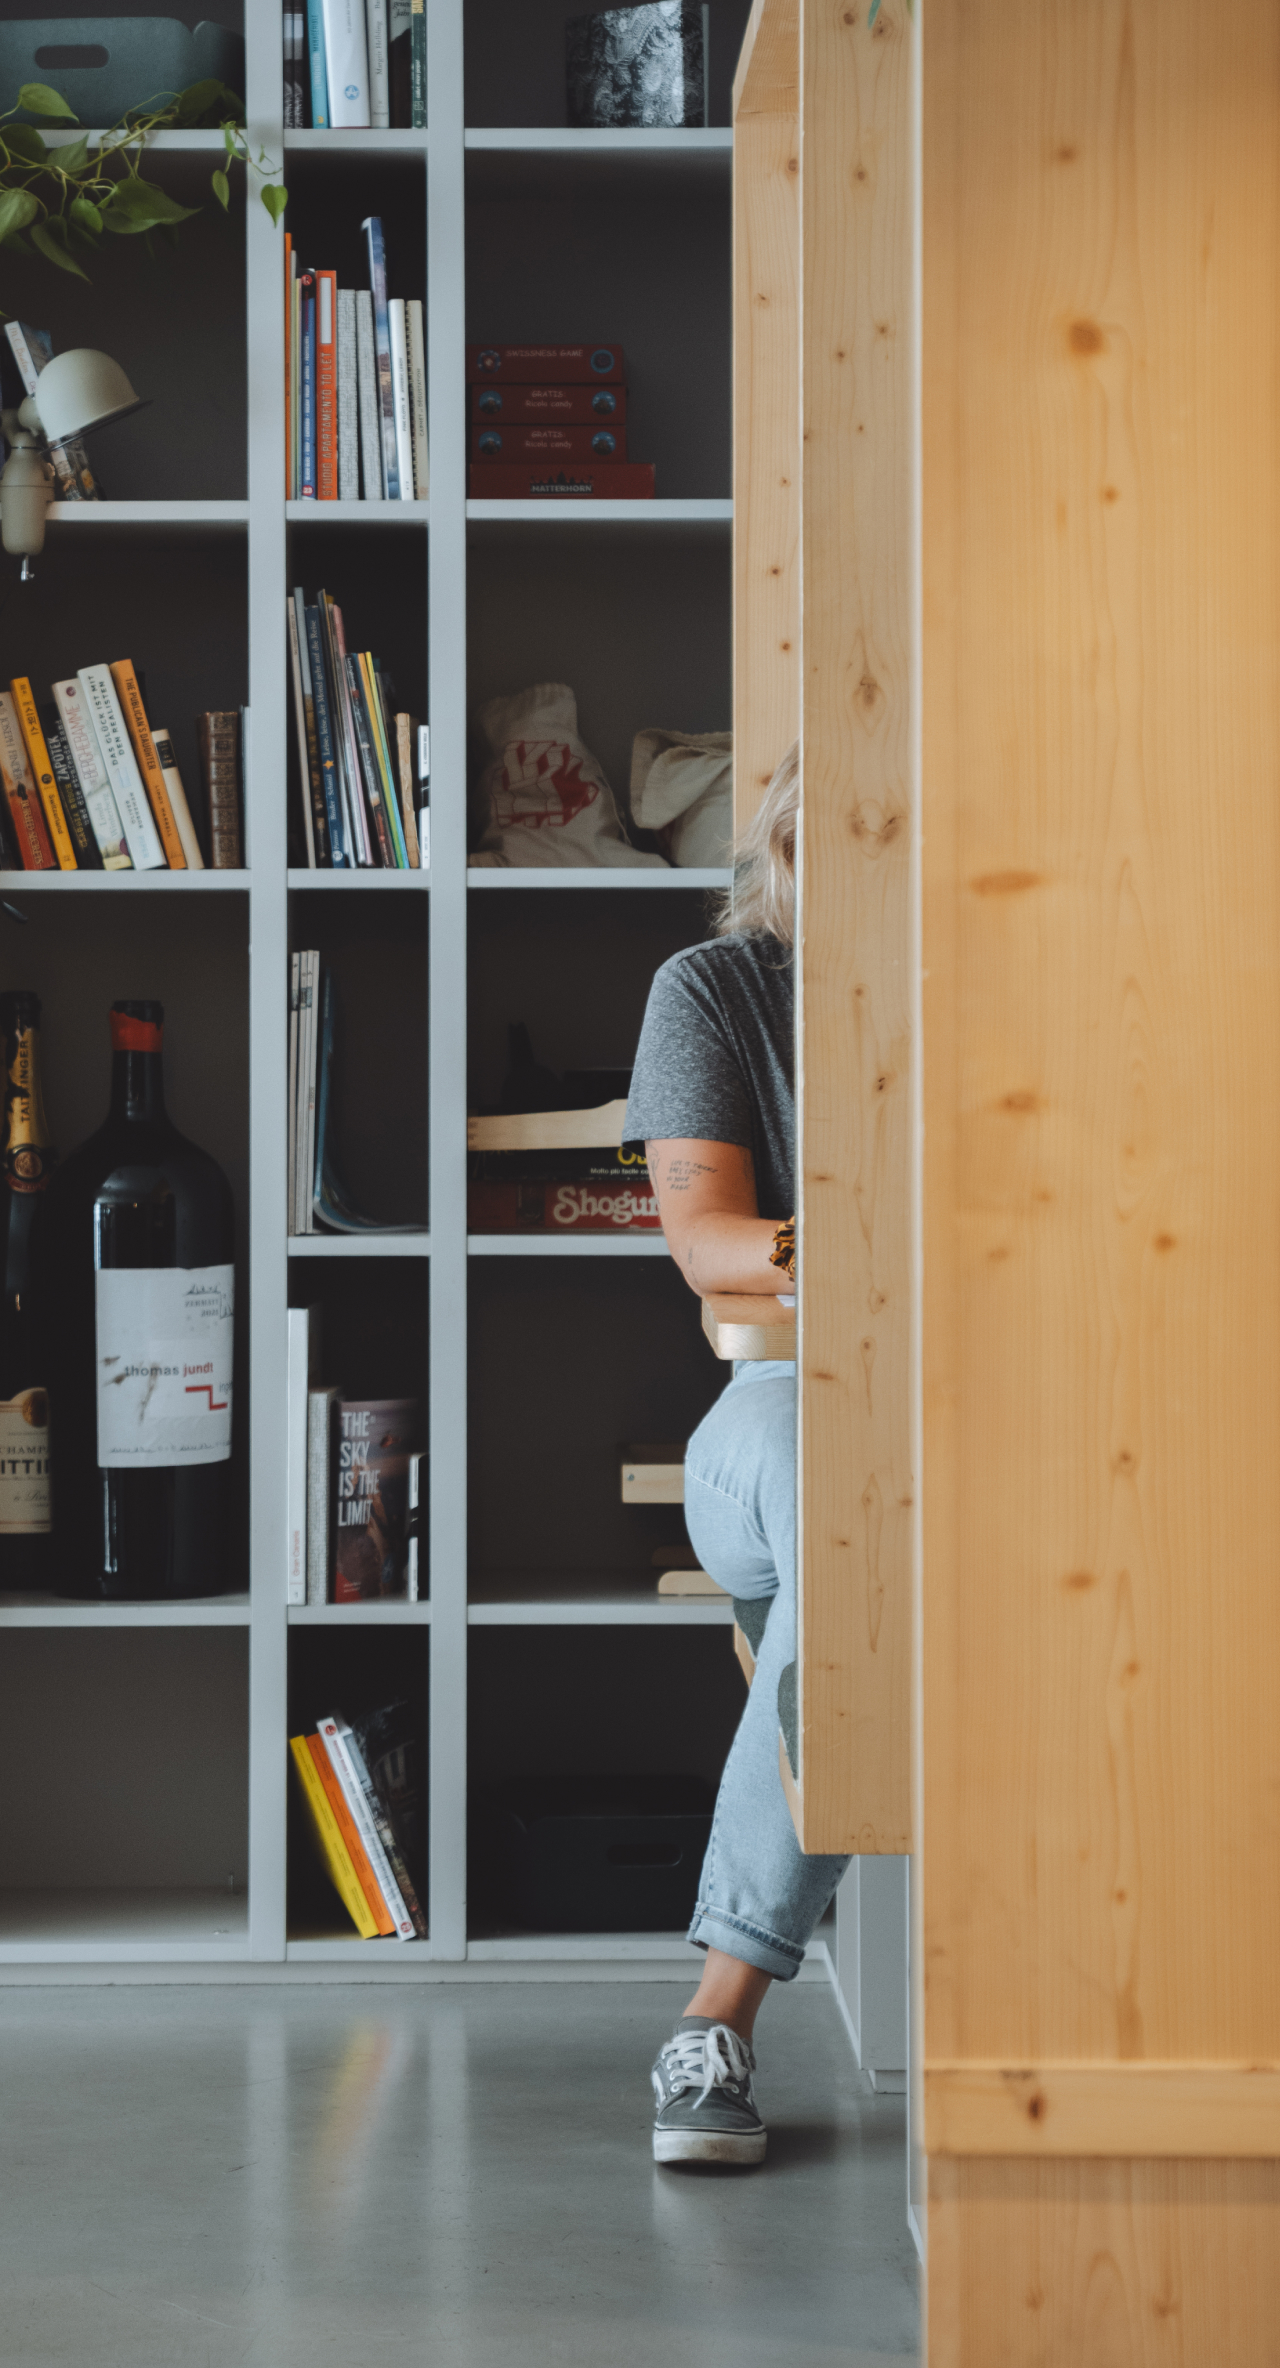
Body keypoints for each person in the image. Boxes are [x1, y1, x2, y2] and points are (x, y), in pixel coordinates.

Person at [621, 743, 850, 2168]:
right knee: (847, 1526)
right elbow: (703, 1244)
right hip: (774, 1410)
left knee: (864, 1595)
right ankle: (723, 2009)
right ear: (785, 854)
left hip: (962, 1421)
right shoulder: (714, 992)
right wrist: (836, 1250)